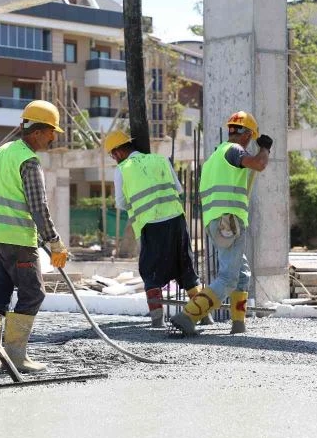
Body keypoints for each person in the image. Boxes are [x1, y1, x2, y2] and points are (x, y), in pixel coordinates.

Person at [0, 100, 69, 373]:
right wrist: (54, 241)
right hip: (17, 240)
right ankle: (16, 356)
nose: (53, 137)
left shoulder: (2, 152)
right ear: (37, 131)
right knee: (33, 294)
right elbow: (38, 207)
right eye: (51, 131)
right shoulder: (28, 161)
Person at [170, 111, 272, 337]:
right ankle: (188, 315)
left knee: (242, 274)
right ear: (247, 135)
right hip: (230, 221)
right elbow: (259, 164)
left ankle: (238, 324)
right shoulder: (234, 150)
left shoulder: (214, 157)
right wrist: (264, 148)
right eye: (251, 137)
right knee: (228, 277)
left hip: (218, 223)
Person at [105, 130, 211, 327]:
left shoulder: (122, 170)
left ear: (118, 152)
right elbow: (178, 189)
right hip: (177, 219)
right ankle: (204, 315)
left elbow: (120, 203)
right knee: (186, 267)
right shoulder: (161, 160)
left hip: (150, 225)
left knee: (150, 271)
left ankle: (157, 319)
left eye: (112, 155)